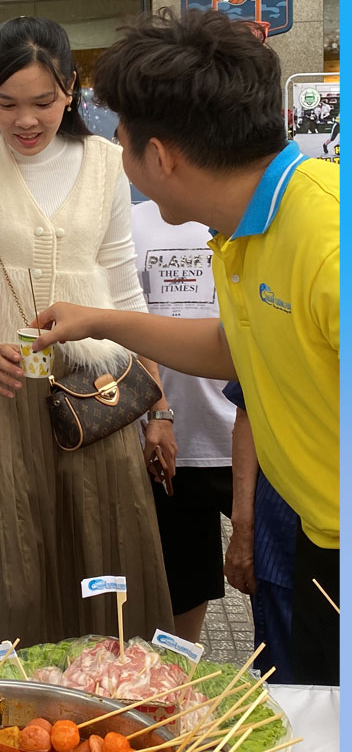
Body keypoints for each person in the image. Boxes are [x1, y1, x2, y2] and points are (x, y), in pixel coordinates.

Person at [32, 9, 339, 684]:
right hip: (320, 537)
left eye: (124, 142)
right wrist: (99, 321)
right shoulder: (243, 227)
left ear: (161, 156)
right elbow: (239, 351)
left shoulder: (324, 237)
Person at [0, 16, 175, 645]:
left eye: (43, 102)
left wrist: (158, 405)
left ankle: (104, 702)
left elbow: (124, 284)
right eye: (7, 104)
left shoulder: (109, 163)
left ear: (70, 91)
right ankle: (4, 710)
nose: (25, 120)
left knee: (101, 558)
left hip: (96, 394)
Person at [131, 200, 235, 643]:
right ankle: (181, 685)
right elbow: (128, 322)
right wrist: (158, 410)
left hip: (246, 430)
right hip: (171, 437)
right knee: (183, 584)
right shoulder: (131, 222)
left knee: (273, 576)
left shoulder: (239, 214)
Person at [223, 383, 298, 683]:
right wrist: (242, 530)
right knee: (286, 687)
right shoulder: (280, 336)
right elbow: (249, 411)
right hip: (286, 530)